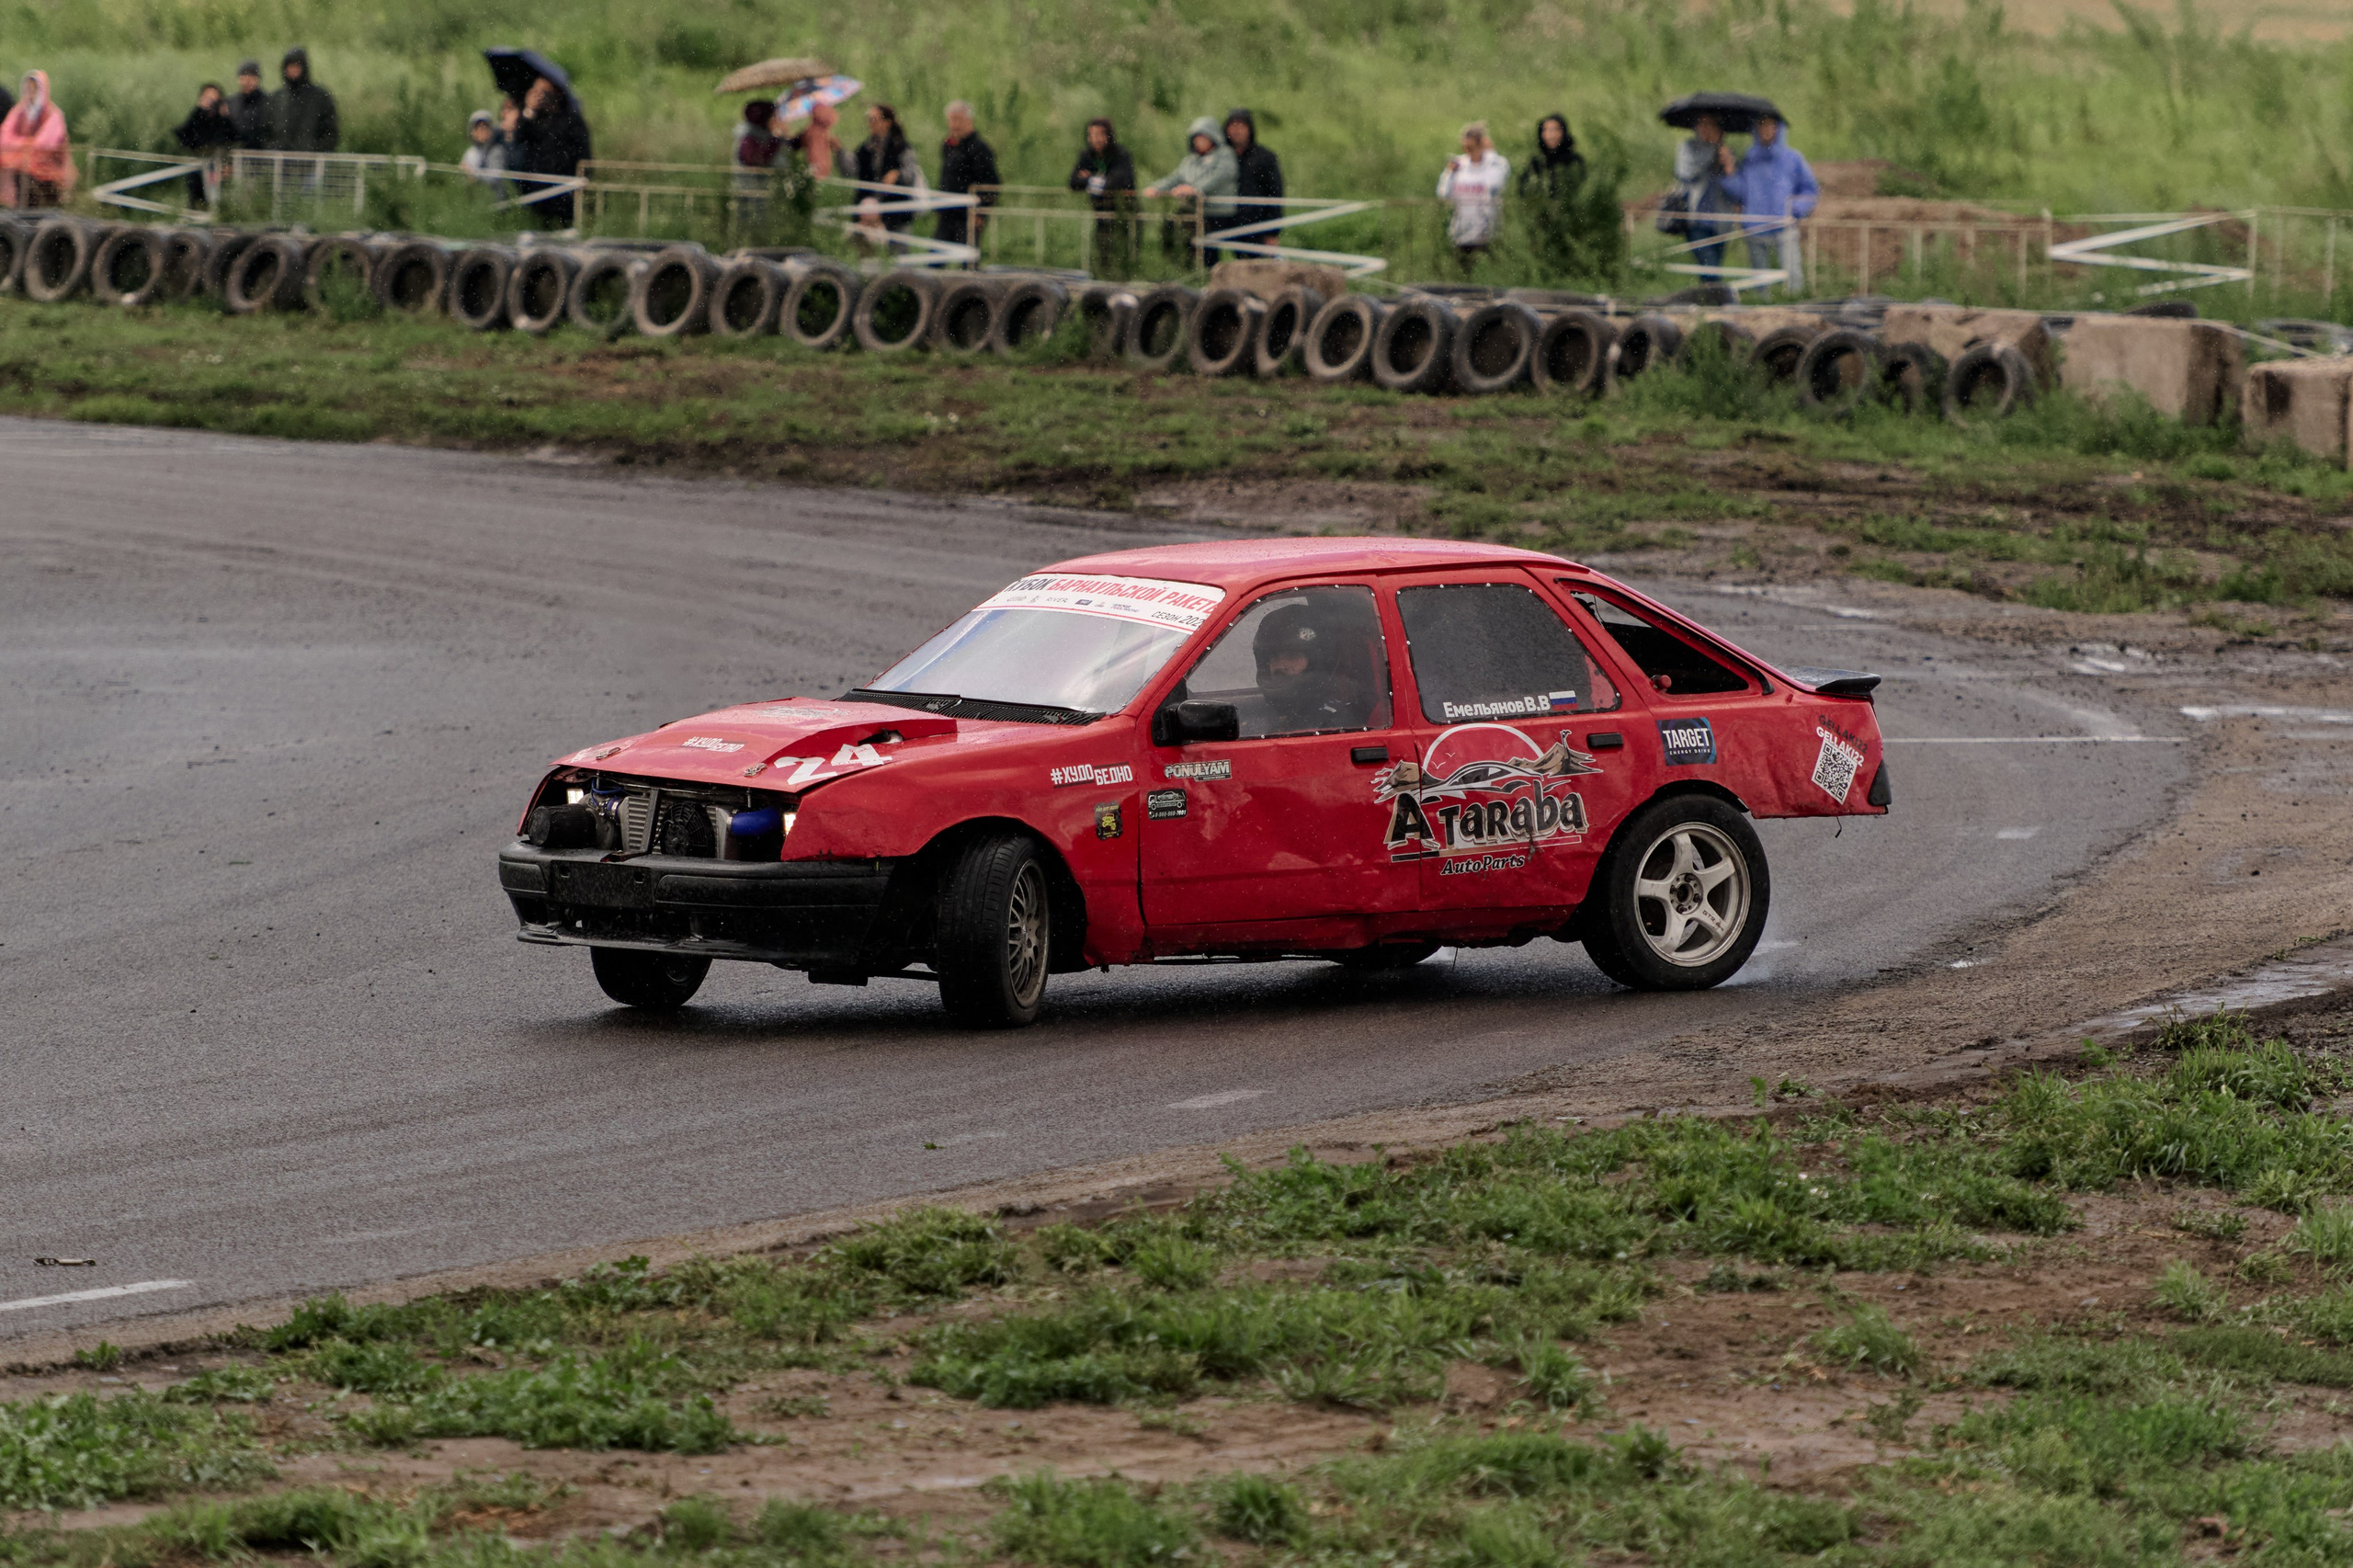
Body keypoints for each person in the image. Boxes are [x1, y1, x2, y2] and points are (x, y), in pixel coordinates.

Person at [1721, 113, 1818, 293]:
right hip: (1755, 227)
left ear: (1778, 129)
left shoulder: (1793, 159)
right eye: (1761, 125)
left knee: (1792, 276)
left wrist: (1794, 210)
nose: (1766, 130)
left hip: (1784, 226)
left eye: (1770, 125)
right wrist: (1729, 172)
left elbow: (1810, 191)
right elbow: (1740, 192)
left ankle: (1794, 307)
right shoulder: (1749, 160)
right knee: (1759, 280)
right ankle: (1761, 311)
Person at [1253, 599, 1381, 734]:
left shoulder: (1334, 723)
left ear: (1317, 661)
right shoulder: (1270, 715)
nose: (1281, 665)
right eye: (1274, 657)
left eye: (1292, 656)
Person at [1144, 116, 1237, 266]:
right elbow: (1175, 178)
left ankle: (1208, 274)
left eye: (1203, 138)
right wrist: (1156, 188)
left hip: (1218, 212)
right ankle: (1178, 266)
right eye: (1196, 138)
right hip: (1194, 212)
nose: (1199, 142)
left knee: (1208, 244)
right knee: (1172, 228)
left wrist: (1194, 189)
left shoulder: (1225, 155)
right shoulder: (1190, 161)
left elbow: (1218, 177)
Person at [508, 74, 593, 227]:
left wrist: (583, 177)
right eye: (536, 91)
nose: (540, 96)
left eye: (544, 92)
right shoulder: (533, 118)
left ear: (557, 93)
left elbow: (584, 152)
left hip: (563, 191)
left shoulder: (571, 119)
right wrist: (528, 111)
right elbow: (518, 139)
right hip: (536, 192)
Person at [1068, 117, 1137, 278]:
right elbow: (1073, 182)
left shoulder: (1121, 154)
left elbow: (1121, 180)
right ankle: (1104, 276)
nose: (1096, 139)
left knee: (1124, 247)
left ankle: (1125, 277)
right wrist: (1099, 180)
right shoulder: (1086, 155)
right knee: (1103, 247)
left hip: (1123, 210)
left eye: (1100, 134)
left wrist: (1089, 179)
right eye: (1092, 134)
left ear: (1108, 136)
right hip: (1101, 209)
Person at [1670, 113, 1735, 280]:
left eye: (1711, 124)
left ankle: (1707, 303)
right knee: (1711, 268)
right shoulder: (1688, 148)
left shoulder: (1726, 152)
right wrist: (1710, 150)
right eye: (1702, 124)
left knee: (1711, 270)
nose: (1706, 129)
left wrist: (1728, 166)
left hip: (1721, 222)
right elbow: (1684, 173)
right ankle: (1721, 302)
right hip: (1696, 220)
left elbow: (1737, 191)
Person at [1435, 120, 1508, 269]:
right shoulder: (1459, 166)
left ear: (1482, 145)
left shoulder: (1494, 165)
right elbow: (1443, 193)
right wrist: (1449, 173)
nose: (1468, 151)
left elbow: (1496, 184)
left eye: (1472, 147)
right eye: (1465, 147)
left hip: (1487, 232)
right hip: (1462, 231)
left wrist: (1490, 153)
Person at [0, 70, 74, 210]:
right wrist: (27, 145)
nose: (31, 94)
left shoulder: (53, 115)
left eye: (34, 90)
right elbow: (4, 137)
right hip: (23, 168)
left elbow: (45, 144)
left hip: (47, 174)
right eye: (28, 90)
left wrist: (22, 145)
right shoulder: (19, 112)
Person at [934, 101, 998, 255]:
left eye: (958, 120)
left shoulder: (979, 148)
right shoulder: (948, 145)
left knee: (968, 258)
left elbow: (990, 183)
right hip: (948, 210)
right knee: (935, 256)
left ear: (969, 121)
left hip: (968, 213)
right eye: (951, 120)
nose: (954, 125)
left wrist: (981, 212)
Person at [853, 103, 924, 233]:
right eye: (869, 119)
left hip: (896, 211)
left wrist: (898, 174)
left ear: (887, 123)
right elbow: (852, 169)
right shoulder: (866, 147)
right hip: (870, 211)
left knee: (897, 249)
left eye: (874, 119)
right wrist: (839, 151)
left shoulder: (902, 147)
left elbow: (911, 173)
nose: (870, 123)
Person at [1223, 107, 1283, 254]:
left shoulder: (1265, 157)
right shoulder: (1221, 158)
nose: (1237, 131)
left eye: (1241, 126)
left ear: (1250, 129)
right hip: (1226, 221)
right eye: (1233, 126)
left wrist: (1272, 232)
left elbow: (1275, 194)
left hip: (1255, 224)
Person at [173, 83, 238, 209]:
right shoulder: (197, 117)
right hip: (197, 171)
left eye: (214, 99)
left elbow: (234, 138)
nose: (210, 103)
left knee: (216, 204)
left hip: (217, 170)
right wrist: (197, 111)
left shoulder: (224, 121)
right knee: (195, 203)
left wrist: (226, 116)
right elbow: (182, 134)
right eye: (207, 98)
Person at [268, 47, 338, 153]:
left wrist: (315, 151)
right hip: (281, 162)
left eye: (297, 66)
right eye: (290, 66)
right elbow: (266, 131)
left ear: (304, 68)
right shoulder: (276, 98)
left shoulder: (320, 97)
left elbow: (330, 132)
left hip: (312, 162)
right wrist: (275, 149)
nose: (293, 70)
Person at [789, 99, 849, 180]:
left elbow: (802, 145)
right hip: (819, 169)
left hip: (814, 168)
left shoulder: (813, 131)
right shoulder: (822, 132)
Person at [225, 61, 270, 151]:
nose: (247, 82)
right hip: (237, 152)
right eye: (244, 77)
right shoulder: (230, 102)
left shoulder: (268, 102)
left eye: (251, 78)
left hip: (261, 153)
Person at [460, 108, 507, 187]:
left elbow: (494, 178)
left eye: (485, 127)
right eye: (478, 128)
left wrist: (473, 173)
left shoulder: (497, 151)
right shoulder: (470, 152)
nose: (481, 131)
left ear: (491, 131)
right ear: (473, 132)